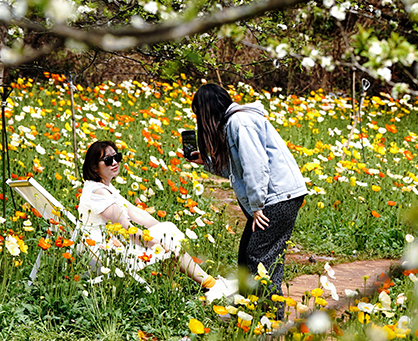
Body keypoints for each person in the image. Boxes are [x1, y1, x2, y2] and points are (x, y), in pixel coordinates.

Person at [189, 83, 307, 318]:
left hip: (277, 197)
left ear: (207, 112)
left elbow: (256, 166)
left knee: (259, 256)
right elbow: (237, 170)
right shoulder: (235, 123)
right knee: (249, 254)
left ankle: (269, 317)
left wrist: (256, 206)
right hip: (276, 196)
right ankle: (249, 310)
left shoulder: (240, 123)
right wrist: (208, 163)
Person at [78, 139, 234, 301]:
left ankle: (177, 287)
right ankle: (210, 285)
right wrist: (158, 243)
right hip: (103, 255)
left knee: (168, 232)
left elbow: (134, 212)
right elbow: (127, 230)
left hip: (105, 246)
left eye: (117, 157)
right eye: (108, 160)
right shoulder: (100, 194)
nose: (115, 162)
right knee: (168, 240)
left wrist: (162, 229)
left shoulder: (102, 188)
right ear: (94, 167)